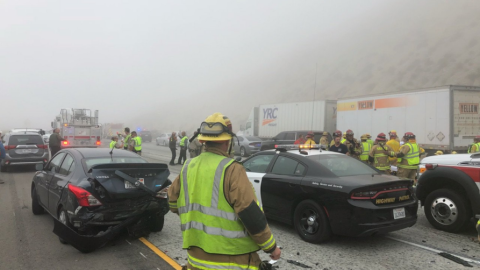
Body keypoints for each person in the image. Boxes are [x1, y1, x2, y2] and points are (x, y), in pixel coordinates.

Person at [168, 112, 281, 270]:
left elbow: (172, 202)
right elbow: (249, 213)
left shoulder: (188, 166)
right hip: (232, 261)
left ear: (202, 141)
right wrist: (271, 248)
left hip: (196, 260)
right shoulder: (232, 169)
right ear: (227, 141)